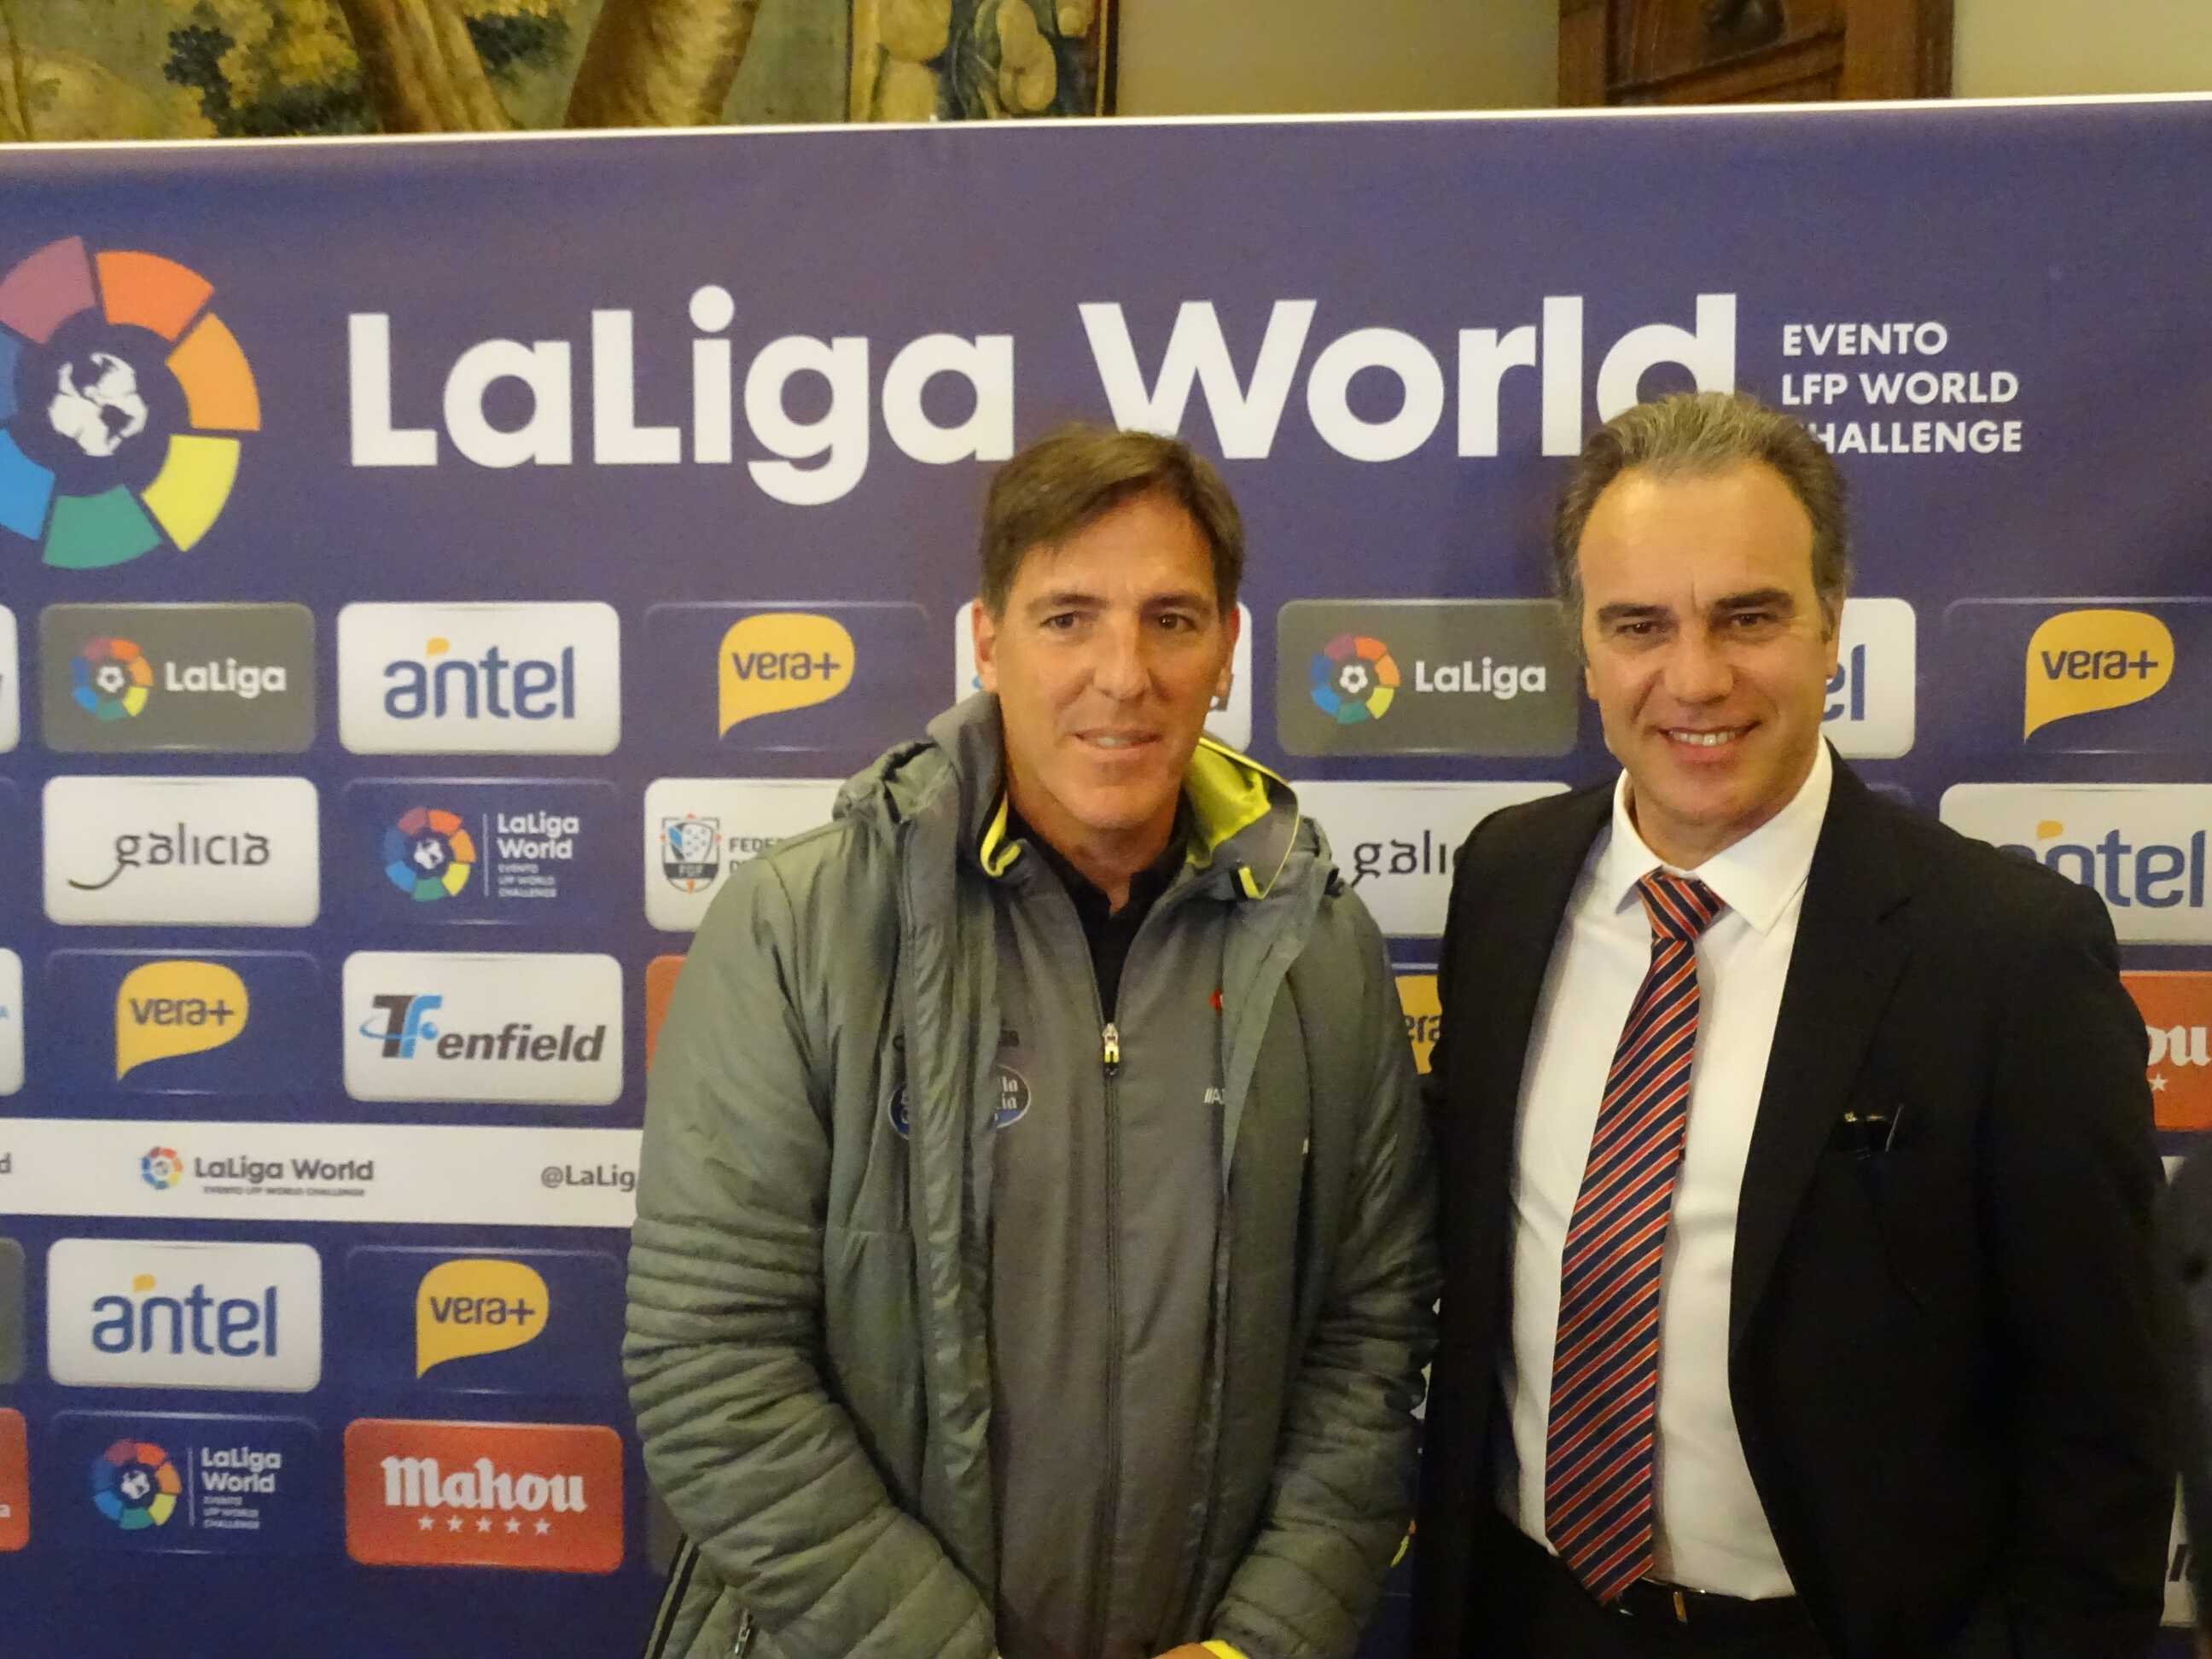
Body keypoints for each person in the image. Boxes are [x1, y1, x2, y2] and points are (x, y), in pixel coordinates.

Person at [630, 423, 1437, 1659]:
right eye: (1068, 618)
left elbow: (1369, 1339)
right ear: (987, 640)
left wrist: (1261, 1642)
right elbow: (711, 1360)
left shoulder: (1318, 946)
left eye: (1171, 620)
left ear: (1227, 647)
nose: (1124, 674)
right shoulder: (803, 924)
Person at [1412, 390, 2172, 1658]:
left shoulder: (2009, 957)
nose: (1695, 677)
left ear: (1832, 625)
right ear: (1584, 648)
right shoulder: (1507, 882)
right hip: (1524, 1613)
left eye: (1748, 617)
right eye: (1639, 625)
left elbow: (2106, 1428)